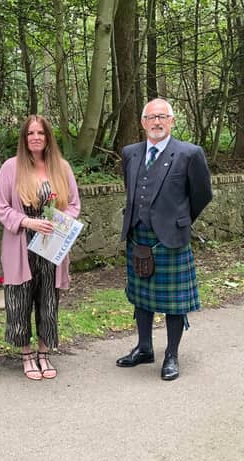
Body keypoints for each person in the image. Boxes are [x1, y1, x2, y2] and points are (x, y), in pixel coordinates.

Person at [116, 98, 212, 380]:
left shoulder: (189, 153)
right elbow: (132, 189)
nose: (157, 122)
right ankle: (144, 348)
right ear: (143, 122)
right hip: (138, 236)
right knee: (141, 297)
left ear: (172, 120)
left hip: (171, 238)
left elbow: (201, 194)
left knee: (174, 302)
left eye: (163, 116)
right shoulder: (130, 153)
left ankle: (171, 354)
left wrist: (179, 220)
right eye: (151, 117)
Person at [0, 115, 81, 380]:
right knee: (19, 300)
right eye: (31, 133)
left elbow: (74, 204)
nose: (36, 137)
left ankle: (44, 353)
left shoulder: (61, 168)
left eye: (40, 133)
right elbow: (1, 206)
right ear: (24, 138)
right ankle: (26, 354)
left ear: (47, 137)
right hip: (21, 245)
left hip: (51, 247)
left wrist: (60, 222)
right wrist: (27, 221)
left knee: (48, 300)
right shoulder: (11, 167)